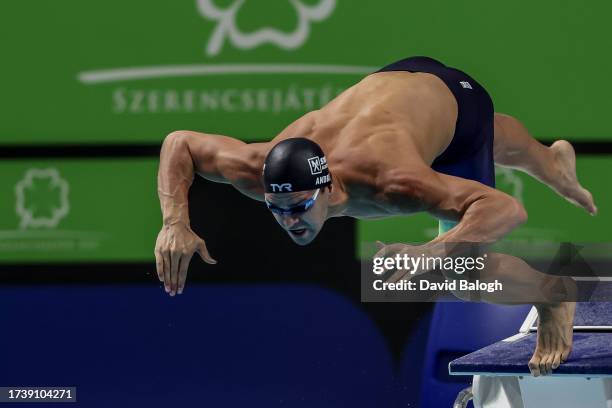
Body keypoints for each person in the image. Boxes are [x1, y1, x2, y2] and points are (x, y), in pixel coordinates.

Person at [155, 56, 597, 376]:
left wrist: (433, 252)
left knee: (462, 274)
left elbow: (506, 209)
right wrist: (174, 221)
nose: (290, 220)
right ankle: (552, 162)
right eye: (277, 209)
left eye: (301, 207)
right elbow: (181, 143)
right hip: (397, 87)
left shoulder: (391, 182)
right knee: (481, 139)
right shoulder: (256, 169)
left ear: (327, 188)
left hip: (457, 106)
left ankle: (553, 294)